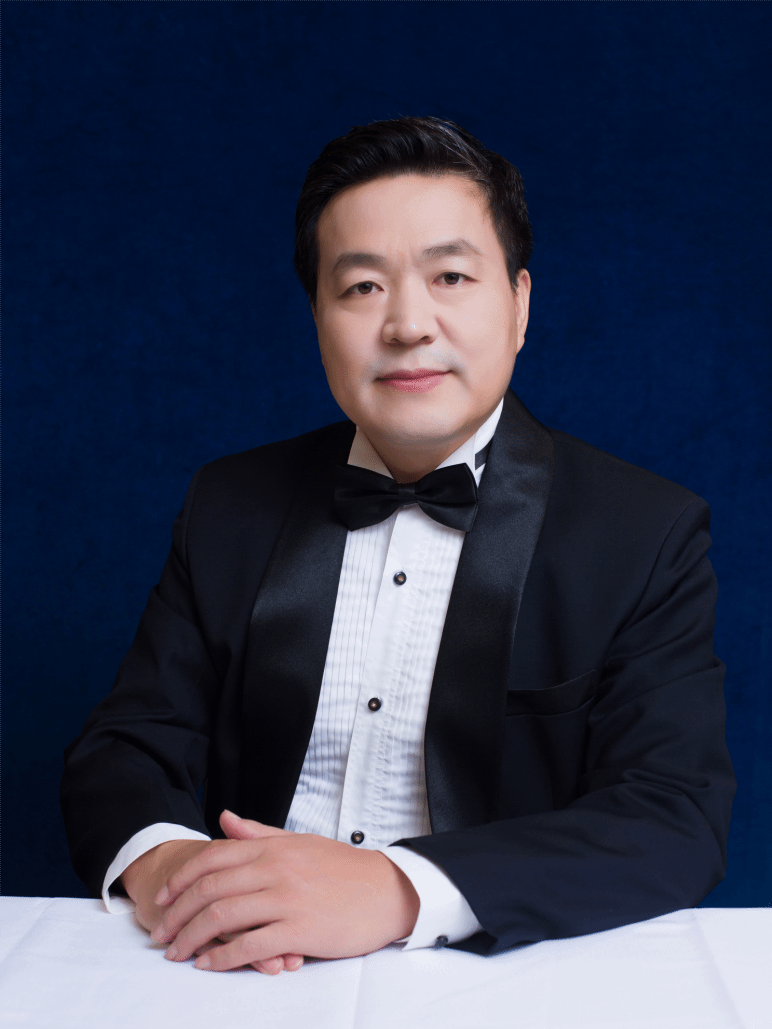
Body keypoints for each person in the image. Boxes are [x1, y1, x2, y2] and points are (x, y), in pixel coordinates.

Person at [61, 116, 735, 976]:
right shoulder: (228, 503)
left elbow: (673, 817)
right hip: (244, 974)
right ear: (318, 315)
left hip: (500, 979)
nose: (409, 324)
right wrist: (174, 869)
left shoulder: (644, 530)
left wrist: (396, 888)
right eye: (362, 287)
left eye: (451, 275)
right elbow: (123, 747)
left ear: (520, 303)